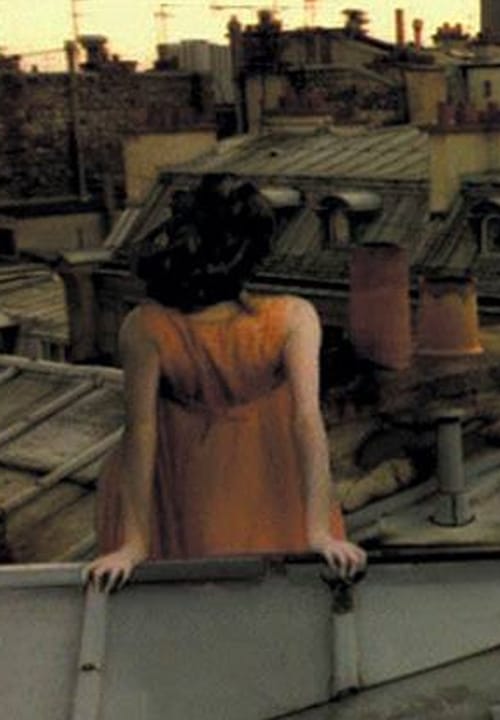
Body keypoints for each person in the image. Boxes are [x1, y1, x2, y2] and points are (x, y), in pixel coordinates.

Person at [85, 174, 366, 592]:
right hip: (249, 479)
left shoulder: (145, 325)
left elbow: (140, 432)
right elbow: (307, 421)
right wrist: (319, 532)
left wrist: (134, 545)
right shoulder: (293, 317)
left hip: (187, 482)